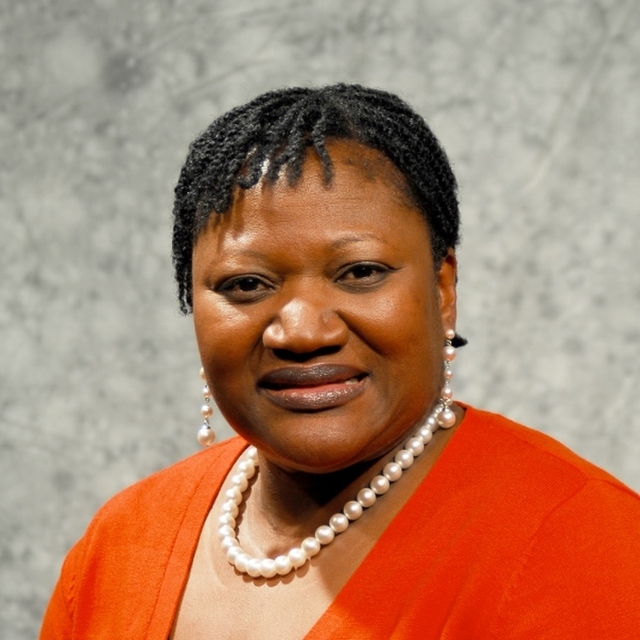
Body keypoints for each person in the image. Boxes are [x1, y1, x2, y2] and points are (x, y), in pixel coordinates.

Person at [40, 84, 640, 639]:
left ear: (443, 290)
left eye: (360, 273)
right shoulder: (119, 545)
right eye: (246, 284)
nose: (303, 333)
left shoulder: (580, 544)